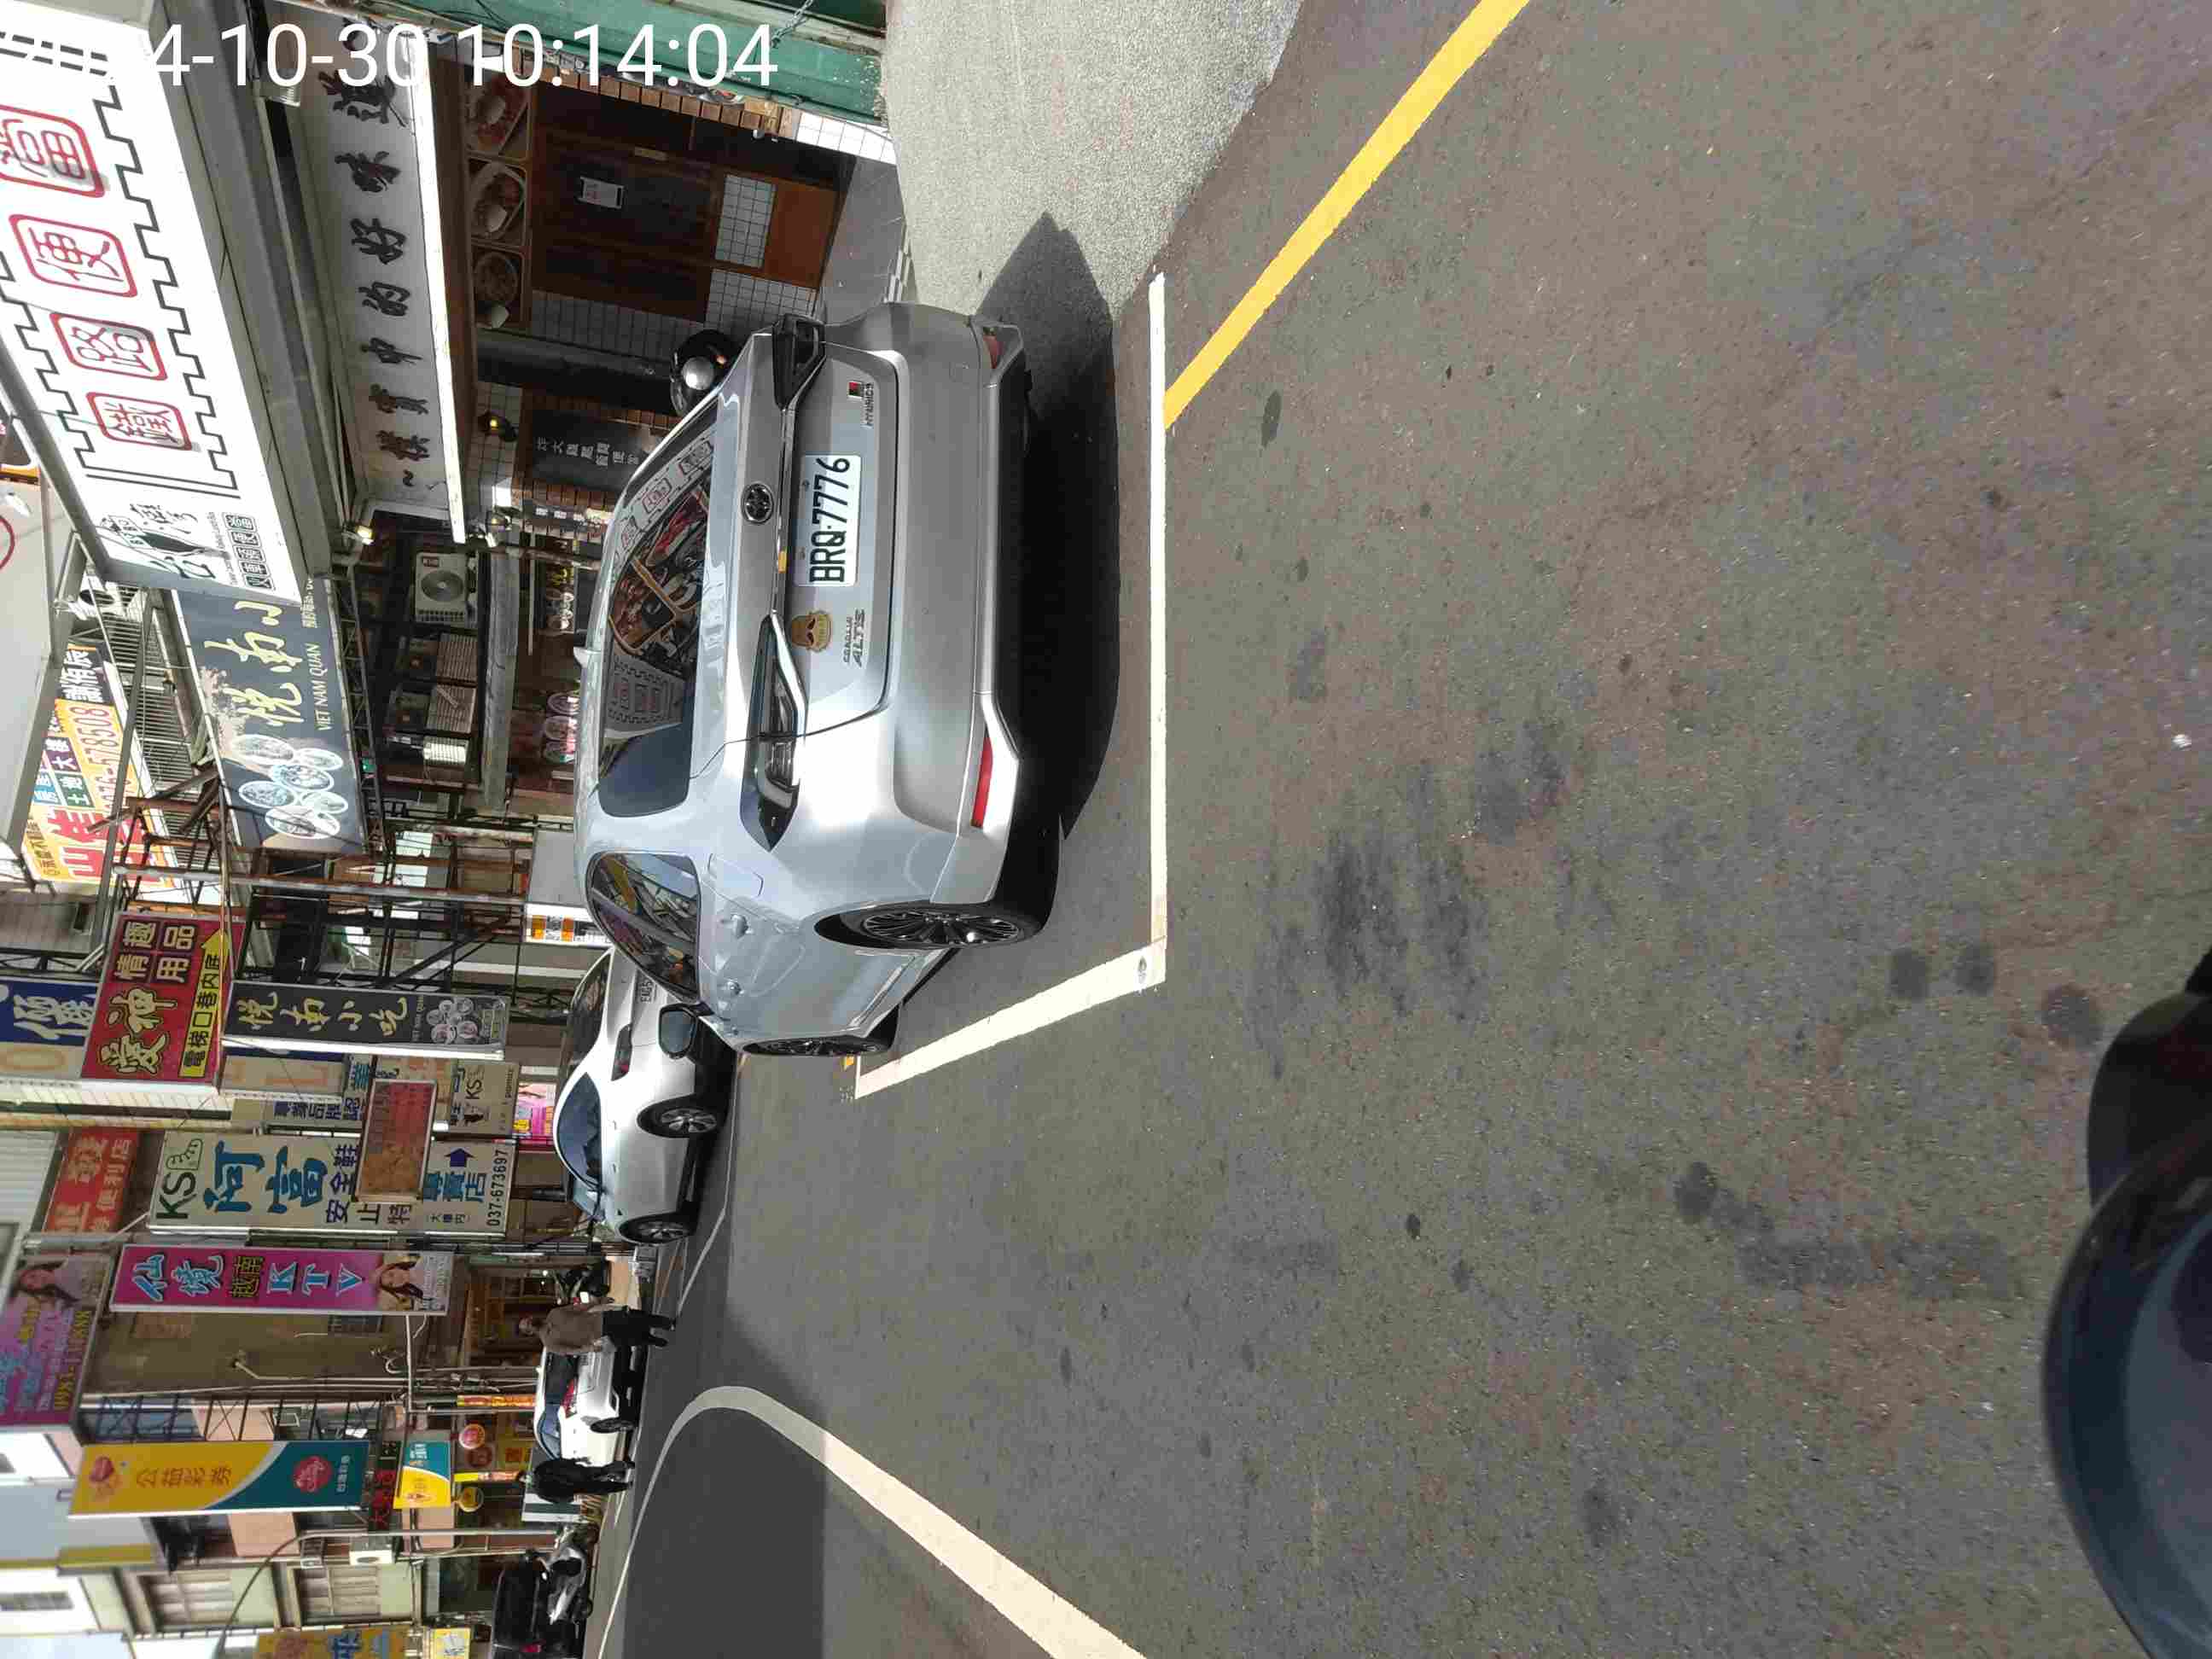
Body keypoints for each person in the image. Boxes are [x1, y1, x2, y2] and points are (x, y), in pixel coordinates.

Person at [520, 1298, 674, 1355]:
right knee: (633, 1339)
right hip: (600, 1338)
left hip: (603, 1318)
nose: (530, 1321)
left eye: (528, 1319)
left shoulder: (554, 1313)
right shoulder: (549, 1343)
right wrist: (588, 1349)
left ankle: (665, 1323)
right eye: (528, 1325)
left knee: (636, 1318)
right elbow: (570, 1350)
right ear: (530, 1332)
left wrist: (598, 1301)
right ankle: (653, 1340)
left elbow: (577, 1308)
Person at [530, 1456, 633, 1501]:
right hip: (576, 1474)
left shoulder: (540, 1491)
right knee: (602, 1471)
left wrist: (572, 1497)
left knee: (600, 1487)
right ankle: (625, 1465)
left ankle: (626, 1485)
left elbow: (557, 1499)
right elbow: (558, 1462)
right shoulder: (539, 1470)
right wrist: (576, 1460)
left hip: (574, 1486)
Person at [11, 1262, 81, 1309]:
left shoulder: (72, 1263)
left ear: (38, 1268)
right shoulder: (60, 1296)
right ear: (36, 1289)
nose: (37, 1281)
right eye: (31, 1285)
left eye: (33, 1276)